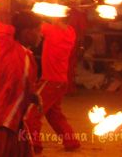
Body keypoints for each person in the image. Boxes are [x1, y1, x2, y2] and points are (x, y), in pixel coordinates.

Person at [0, 0, 41, 156]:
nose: (41, 35)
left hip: (17, 126)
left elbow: (20, 83)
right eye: (38, 30)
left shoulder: (29, 57)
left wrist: (32, 95)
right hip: (1, 125)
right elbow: (4, 12)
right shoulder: (4, 45)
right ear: (27, 32)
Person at [25, 14, 80, 153]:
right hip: (61, 81)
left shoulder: (51, 30)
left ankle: (34, 144)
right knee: (54, 114)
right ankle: (71, 141)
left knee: (30, 112)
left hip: (50, 81)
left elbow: (35, 23)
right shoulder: (71, 32)